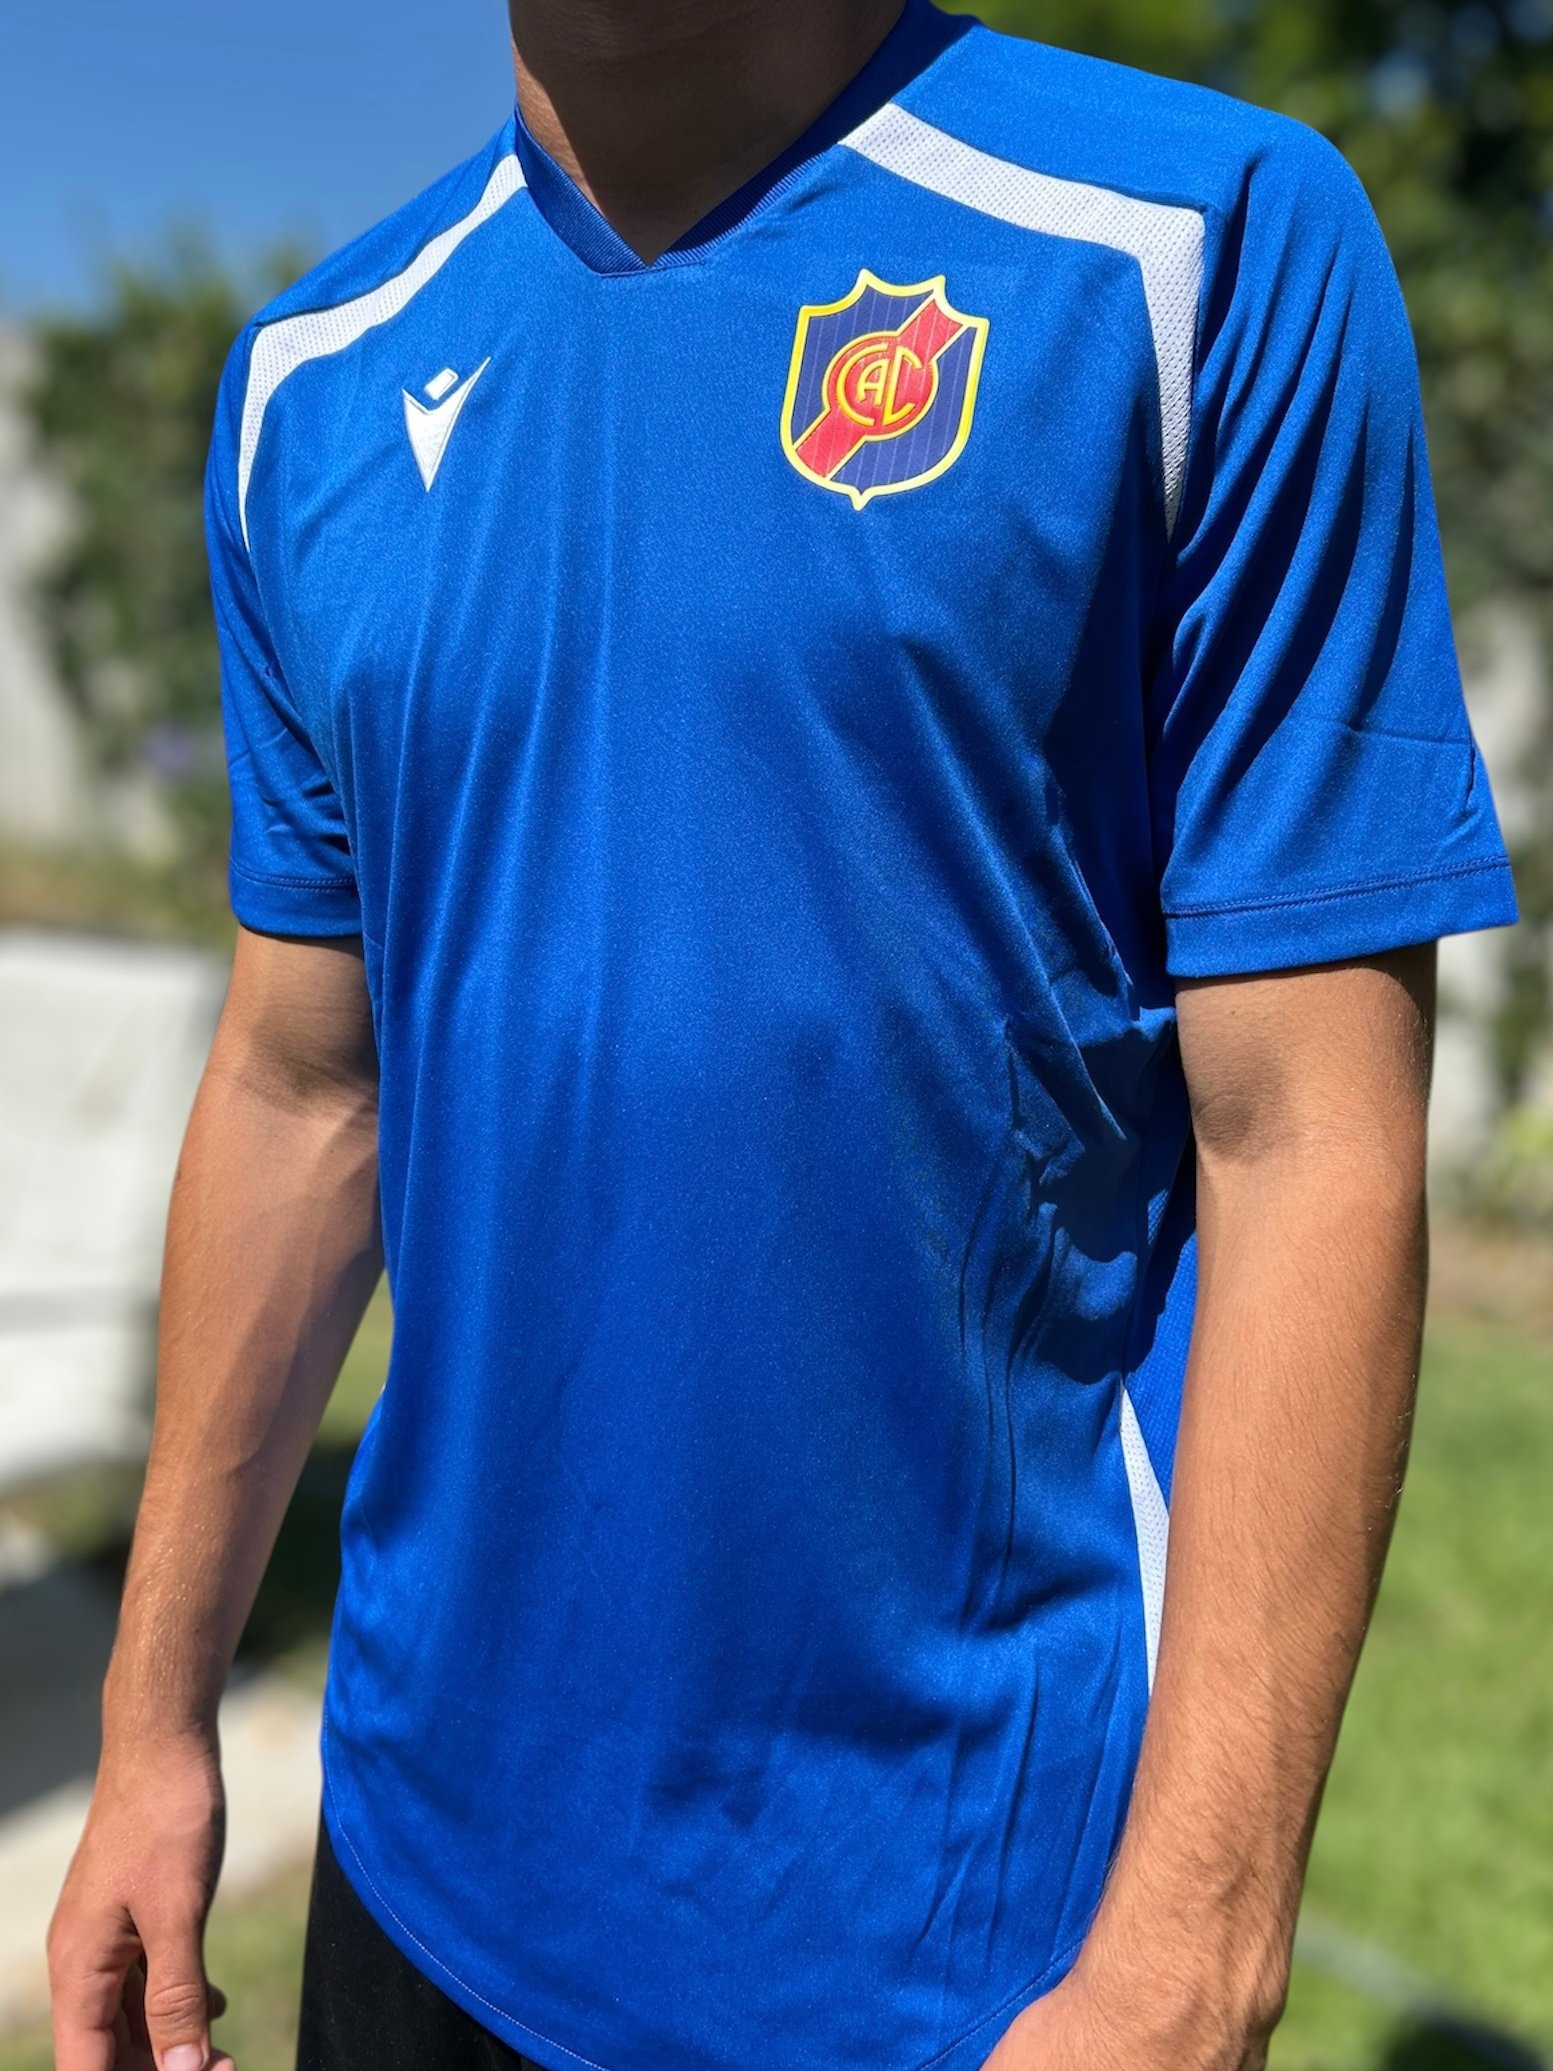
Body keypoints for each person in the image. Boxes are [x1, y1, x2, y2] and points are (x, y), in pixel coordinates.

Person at [48, 0, 1518, 2067]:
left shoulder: (1193, 245)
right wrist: (151, 1726)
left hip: (961, 1934)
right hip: (424, 1859)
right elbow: (305, 1081)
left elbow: (1311, 1135)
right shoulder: (315, 376)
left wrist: (1193, 1948)